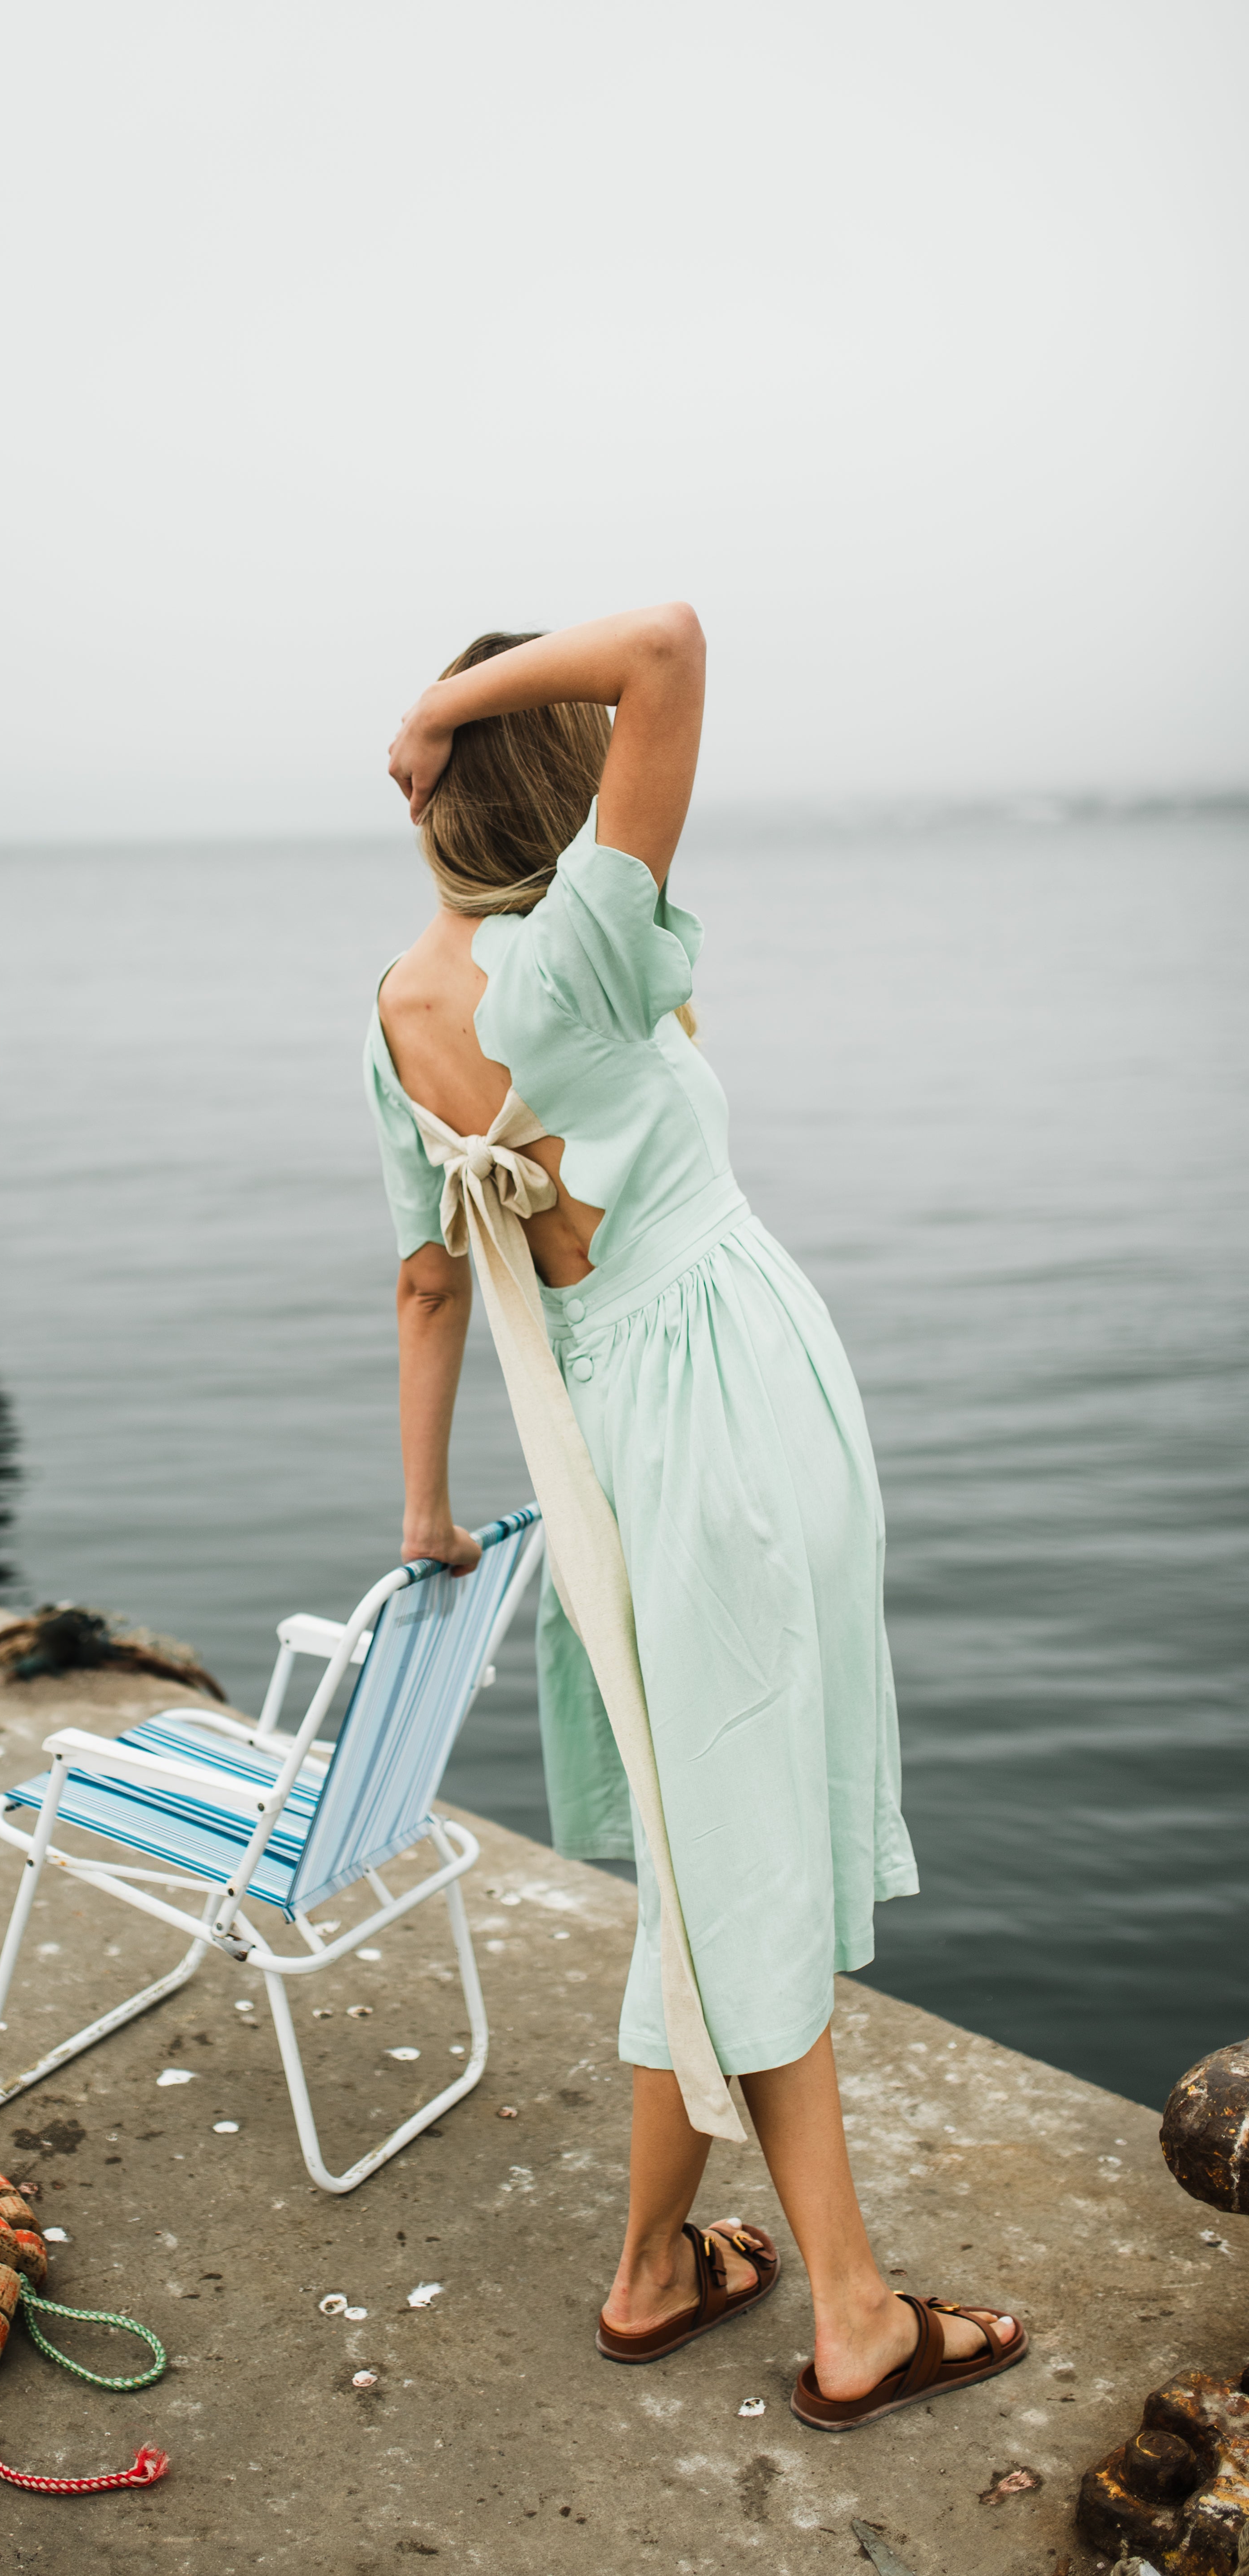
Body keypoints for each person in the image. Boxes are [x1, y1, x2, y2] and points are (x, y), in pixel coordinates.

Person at [366, 607, 1023, 2430]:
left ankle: (659, 2266)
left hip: (610, 1455)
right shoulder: (578, 945)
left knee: (703, 1838)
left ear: (431, 805)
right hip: (736, 1411)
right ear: (552, 782)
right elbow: (665, 639)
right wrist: (446, 699)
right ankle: (855, 2306)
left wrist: (426, 1505)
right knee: (737, 1856)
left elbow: (431, 1285)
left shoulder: (403, 1016)